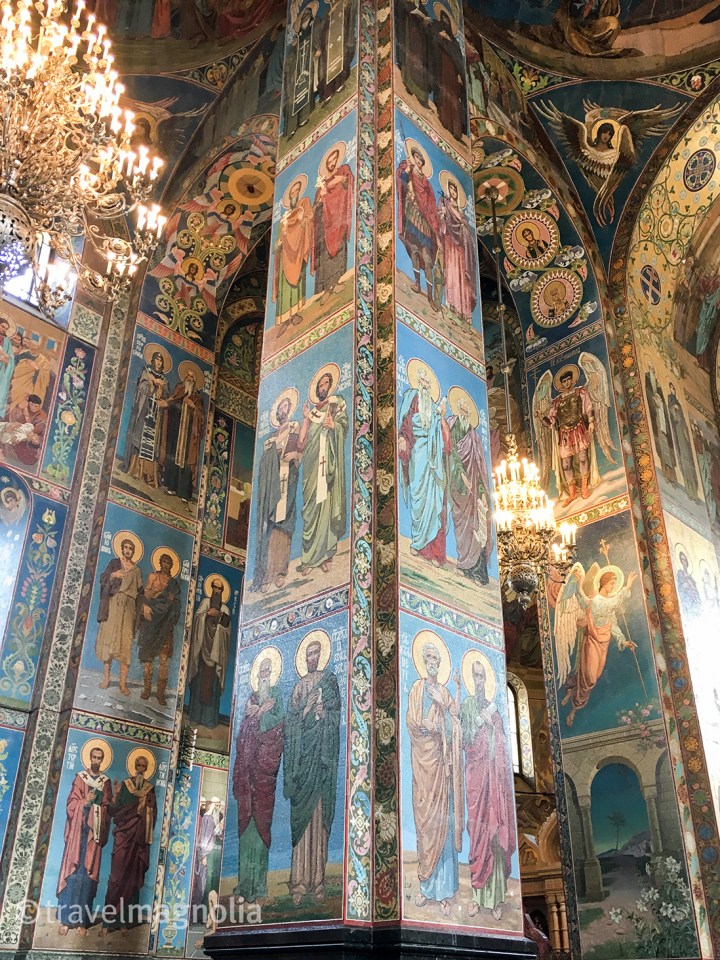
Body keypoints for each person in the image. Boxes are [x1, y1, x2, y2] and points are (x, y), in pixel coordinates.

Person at [406, 641, 463, 915]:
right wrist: (423, 726)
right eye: (427, 657)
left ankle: (445, 890)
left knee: (444, 823)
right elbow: (410, 722)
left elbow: (456, 728)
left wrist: (443, 715)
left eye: (434, 657)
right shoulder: (417, 689)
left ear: (439, 663)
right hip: (423, 764)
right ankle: (427, 887)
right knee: (426, 822)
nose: (431, 661)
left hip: (443, 767)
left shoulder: (445, 694)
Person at [284, 636, 341, 904]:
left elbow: (335, 714)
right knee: (302, 823)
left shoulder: (329, 682)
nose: (312, 657)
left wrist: (323, 713)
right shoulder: (297, 687)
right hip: (302, 766)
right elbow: (291, 725)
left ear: (322, 656)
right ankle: (298, 884)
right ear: (303, 658)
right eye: (308, 653)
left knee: (318, 820)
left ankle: (317, 882)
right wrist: (306, 710)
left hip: (320, 763)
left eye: (317, 653)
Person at [461, 657, 515, 920]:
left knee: (495, 838)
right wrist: (479, 725)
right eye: (476, 675)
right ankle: (477, 897)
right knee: (479, 837)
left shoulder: (496, 712)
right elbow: (465, 743)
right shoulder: (468, 707)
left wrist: (493, 726)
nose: (479, 680)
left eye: (482, 676)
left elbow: (504, 748)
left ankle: (495, 900)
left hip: (495, 784)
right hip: (477, 781)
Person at [232, 654, 285, 904]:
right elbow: (242, 735)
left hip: (264, 777)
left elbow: (278, 729)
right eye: (260, 670)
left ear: (272, 673)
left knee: (262, 827)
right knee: (244, 828)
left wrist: (261, 715)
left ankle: (260, 886)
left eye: (267, 669)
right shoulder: (251, 699)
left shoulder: (277, 698)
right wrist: (253, 716)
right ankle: (244, 885)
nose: (263, 673)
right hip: (247, 778)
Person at [562, 568, 638, 726]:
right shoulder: (597, 600)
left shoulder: (608, 604)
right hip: (592, 641)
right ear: (603, 583)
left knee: (592, 677)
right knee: (589, 677)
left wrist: (623, 641)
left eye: (614, 584)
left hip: (603, 643)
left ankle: (571, 689)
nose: (612, 586)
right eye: (611, 583)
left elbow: (612, 624)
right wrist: (627, 587)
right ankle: (574, 710)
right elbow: (613, 603)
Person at [56, 745, 112, 935]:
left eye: (99, 758)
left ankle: (81, 922)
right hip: (78, 835)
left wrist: (99, 809)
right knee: (73, 875)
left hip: (93, 835)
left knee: (87, 878)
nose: (96, 761)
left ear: (102, 760)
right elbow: (71, 804)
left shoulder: (105, 782)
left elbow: (107, 808)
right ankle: (65, 920)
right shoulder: (81, 778)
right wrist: (85, 803)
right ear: (89, 758)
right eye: (94, 757)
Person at [296, 370, 348, 575]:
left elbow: (343, 425)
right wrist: (306, 419)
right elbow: (301, 444)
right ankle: (309, 559)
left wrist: (334, 425)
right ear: (317, 389)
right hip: (310, 463)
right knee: (310, 508)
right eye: (321, 384)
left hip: (328, 461)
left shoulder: (335, 405)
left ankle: (326, 555)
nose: (323, 387)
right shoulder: (311, 412)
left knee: (326, 504)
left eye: (326, 383)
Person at [398, 365, 451, 566]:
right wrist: (402, 438)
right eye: (422, 380)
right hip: (418, 453)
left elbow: (445, 441)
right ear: (417, 383)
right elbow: (406, 424)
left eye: (428, 382)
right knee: (419, 499)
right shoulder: (412, 398)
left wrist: (442, 417)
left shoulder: (435, 407)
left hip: (433, 458)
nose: (425, 384)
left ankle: (434, 551)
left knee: (434, 500)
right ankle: (419, 543)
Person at [101, 753, 157, 935]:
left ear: (146, 769)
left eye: (143, 766)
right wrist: (116, 796)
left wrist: (146, 809)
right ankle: (109, 922)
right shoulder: (125, 785)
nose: (140, 769)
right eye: (138, 765)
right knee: (116, 878)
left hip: (138, 840)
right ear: (134, 767)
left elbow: (153, 815)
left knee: (132, 880)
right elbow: (114, 810)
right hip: (123, 836)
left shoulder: (150, 789)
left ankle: (126, 921)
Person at [252, 392, 302, 593]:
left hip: (287, 480)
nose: (283, 410)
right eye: (280, 407)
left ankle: (280, 571)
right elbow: (264, 466)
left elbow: (300, 449)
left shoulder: (293, 428)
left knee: (283, 525)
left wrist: (297, 455)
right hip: (271, 486)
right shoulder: (270, 439)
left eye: (286, 407)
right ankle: (266, 574)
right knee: (269, 527)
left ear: (290, 410)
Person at [448, 393, 491, 583]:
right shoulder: (453, 426)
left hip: (474, 492)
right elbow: (451, 453)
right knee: (462, 526)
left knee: (478, 526)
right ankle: (464, 564)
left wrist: (482, 493)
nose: (464, 412)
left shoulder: (474, 436)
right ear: (458, 410)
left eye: (467, 410)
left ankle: (478, 571)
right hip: (459, 487)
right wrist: (461, 473)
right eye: (462, 409)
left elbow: (481, 468)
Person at [95, 538, 144, 696]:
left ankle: (123, 684)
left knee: (125, 644)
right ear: (122, 549)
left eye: (131, 548)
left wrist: (143, 608)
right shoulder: (114, 564)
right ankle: (106, 679)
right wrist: (113, 575)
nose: (128, 550)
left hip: (129, 607)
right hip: (114, 604)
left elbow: (140, 593)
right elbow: (103, 579)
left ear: (133, 551)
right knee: (108, 641)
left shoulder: (136, 571)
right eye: (126, 547)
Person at [542, 366, 596, 506]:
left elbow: (588, 407)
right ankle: (572, 492)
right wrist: (541, 417)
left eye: (568, 380)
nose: (566, 383)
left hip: (578, 428)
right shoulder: (557, 402)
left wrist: (591, 422)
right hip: (564, 433)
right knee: (566, 465)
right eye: (564, 381)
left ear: (572, 380)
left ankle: (584, 487)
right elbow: (551, 420)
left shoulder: (580, 392)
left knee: (583, 457)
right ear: (561, 384)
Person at [397, 145, 440, 307]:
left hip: (425, 221)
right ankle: (417, 284)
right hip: (412, 214)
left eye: (421, 159)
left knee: (427, 258)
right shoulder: (409, 173)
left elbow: (431, 204)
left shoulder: (426, 183)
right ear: (413, 159)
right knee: (414, 250)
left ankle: (430, 296)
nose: (419, 161)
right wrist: (407, 171)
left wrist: (434, 221)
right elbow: (401, 184)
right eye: (417, 158)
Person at [137, 553, 182, 706]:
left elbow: (178, 604)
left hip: (165, 624)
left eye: (169, 563)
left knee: (164, 659)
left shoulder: (174, 584)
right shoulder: (152, 577)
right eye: (164, 561)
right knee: (148, 657)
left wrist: (172, 600)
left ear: (172, 565)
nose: (166, 565)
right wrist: (148, 602)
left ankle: (160, 694)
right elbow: (144, 597)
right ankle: (147, 689)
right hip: (151, 621)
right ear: (159, 562)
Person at [187, 578, 231, 728]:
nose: (216, 591)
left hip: (216, 653)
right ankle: (194, 716)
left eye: (219, 589)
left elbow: (227, 631)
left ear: (222, 592)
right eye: (215, 588)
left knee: (212, 686)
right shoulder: (205, 603)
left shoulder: (225, 609)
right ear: (211, 588)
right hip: (202, 650)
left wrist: (220, 626)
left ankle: (209, 720)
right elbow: (197, 618)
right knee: (199, 683)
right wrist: (206, 614)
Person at [312, 146, 355, 305]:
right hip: (325, 226)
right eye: (328, 162)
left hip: (338, 221)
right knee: (325, 257)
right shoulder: (322, 184)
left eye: (333, 161)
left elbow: (348, 182)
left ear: (336, 160)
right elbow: (315, 209)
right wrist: (320, 199)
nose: (331, 164)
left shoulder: (342, 172)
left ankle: (335, 283)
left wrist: (342, 180)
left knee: (339, 252)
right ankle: (326, 290)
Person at [122, 350, 169, 487]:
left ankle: (148, 474)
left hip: (156, 415)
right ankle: (136, 469)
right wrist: (152, 383)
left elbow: (166, 395)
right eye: (157, 359)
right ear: (153, 360)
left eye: (161, 360)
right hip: (145, 409)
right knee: (139, 437)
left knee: (152, 442)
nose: (159, 362)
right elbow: (141, 387)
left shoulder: (164, 379)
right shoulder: (146, 371)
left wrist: (161, 389)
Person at [272, 178, 314, 329]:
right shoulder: (283, 221)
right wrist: (279, 243)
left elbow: (308, 224)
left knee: (297, 282)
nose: (294, 195)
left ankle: (295, 314)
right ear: (289, 197)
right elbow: (275, 245)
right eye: (292, 192)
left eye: (297, 191)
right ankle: (284, 320)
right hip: (285, 258)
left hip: (297, 254)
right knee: (285, 287)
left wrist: (302, 220)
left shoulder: (301, 210)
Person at [163, 367, 206, 503]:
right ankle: (171, 486)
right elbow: (172, 401)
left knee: (187, 462)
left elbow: (202, 418)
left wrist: (193, 406)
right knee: (173, 455)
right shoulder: (179, 389)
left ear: (194, 381)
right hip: (176, 430)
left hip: (189, 436)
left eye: (192, 377)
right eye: (187, 376)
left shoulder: (197, 398)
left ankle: (183, 493)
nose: (189, 378)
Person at [438, 178, 477, 322]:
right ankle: (452, 305)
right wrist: (442, 215)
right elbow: (442, 223)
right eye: (451, 189)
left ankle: (464, 311)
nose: (453, 192)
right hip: (450, 244)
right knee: (453, 273)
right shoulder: (445, 204)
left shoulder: (460, 212)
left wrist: (462, 225)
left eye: (455, 190)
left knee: (463, 278)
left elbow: (465, 226)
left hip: (461, 247)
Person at [430, 8, 467, 141]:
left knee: (454, 97)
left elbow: (458, 59)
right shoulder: (437, 27)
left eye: (447, 20)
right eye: (443, 19)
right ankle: (445, 120)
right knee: (444, 91)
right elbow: (432, 38)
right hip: (442, 65)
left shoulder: (455, 42)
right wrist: (440, 36)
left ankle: (456, 129)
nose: (445, 22)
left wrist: (459, 75)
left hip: (452, 71)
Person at [283, 5, 318, 138]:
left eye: (308, 18)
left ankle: (304, 118)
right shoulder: (298, 38)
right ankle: (292, 127)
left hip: (307, 67)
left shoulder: (312, 30)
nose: (306, 21)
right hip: (296, 71)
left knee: (306, 90)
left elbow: (316, 43)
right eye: (304, 18)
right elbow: (291, 58)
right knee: (293, 97)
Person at [316, 0, 357, 102]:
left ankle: (339, 84)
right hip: (328, 41)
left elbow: (349, 16)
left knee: (339, 59)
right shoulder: (328, 10)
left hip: (340, 36)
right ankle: (328, 93)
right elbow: (324, 25)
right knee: (327, 66)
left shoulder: (345, 2)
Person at [644, 364, 677, 486]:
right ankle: (666, 475)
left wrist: (660, 403)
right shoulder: (648, 382)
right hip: (658, 425)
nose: (652, 371)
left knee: (668, 451)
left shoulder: (658, 389)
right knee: (662, 452)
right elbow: (649, 398)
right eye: (650, 370)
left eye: (653, 370)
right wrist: (655, 402)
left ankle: (672, 477)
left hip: (664, 427)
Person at [668, 383, 700, 502]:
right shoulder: (671, 401)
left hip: (683, 435)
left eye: (674, 388)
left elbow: (682, 420)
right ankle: (689, 489)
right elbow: (674, 417)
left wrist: (686, 432)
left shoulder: (678, 403)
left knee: (689, 463)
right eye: (671, 388)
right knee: (684, 462)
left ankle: (694, 492)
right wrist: (673, 410)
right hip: (678, 435)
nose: (673, 390)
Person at [395, 0, 431, 107]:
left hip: (420, 41)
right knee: (410, 60)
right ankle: (409, 85)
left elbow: (427, 28)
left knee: (420, 65)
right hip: (409, 34)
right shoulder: (405, 2)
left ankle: (421, 96)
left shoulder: (422, 8)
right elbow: (401, 11)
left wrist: (425, 23)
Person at [9, 334, 51, 409]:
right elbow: (15, 365)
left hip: (32, 386)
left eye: (36, 349)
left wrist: (37, 369)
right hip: (18, 381)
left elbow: (46, 379)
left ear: (39, 349)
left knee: (25, 400)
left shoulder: (44, 361)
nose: (33, 351)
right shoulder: (24, 353)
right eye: (32, 348)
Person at [191, 798, 218, 912]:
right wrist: (203, 856)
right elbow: (204, 839)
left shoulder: (208, 818)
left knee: (203, 885)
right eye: (216, 806)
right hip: (205, 855)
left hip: (206, 854)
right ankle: (197, 913)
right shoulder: (208, 819)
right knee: (202, 885)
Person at [4, 393, 47, 465]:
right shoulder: (25, 408)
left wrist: (27, 416)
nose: (33, 408)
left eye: (36, 406)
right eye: (31, 405)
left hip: (28, 441)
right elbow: (14, 417)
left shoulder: (42, 417)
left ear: (39, 406)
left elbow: (33, 432)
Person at [676, 551, 702, 622]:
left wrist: (692, 586)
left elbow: (696, 591)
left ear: (687, 561)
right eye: (682, 559)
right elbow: (679, 587)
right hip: (686, 600)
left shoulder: (691, 577)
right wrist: (684, 585)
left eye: (684, 559)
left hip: (693, 600)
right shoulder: (680, 573)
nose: (683, 561)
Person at [0, 316, 16, 417]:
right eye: (2, 326)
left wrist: (5, 359)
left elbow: (11, 360)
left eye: (6, 328)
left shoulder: (7, 342)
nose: (4, 329)